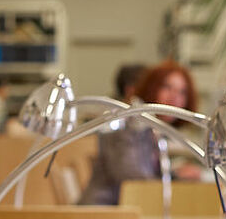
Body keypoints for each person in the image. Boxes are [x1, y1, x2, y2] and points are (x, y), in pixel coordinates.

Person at [78, 61, 201, 205]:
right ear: (151, 87)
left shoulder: (150, 128)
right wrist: (174, 177)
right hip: (103, 216)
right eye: (167, 87)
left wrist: (176, 174)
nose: (175, 97)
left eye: (182, 92)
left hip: (128, 211)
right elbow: (131, 177)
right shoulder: (127, 122)